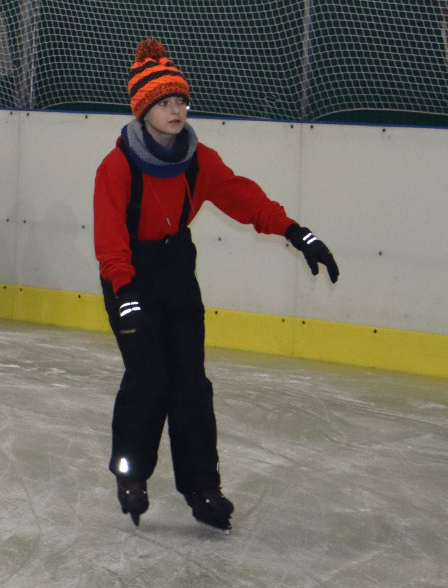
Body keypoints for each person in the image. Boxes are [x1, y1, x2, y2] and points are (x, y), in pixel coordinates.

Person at [93, 39, 339, 532]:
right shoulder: (116, 166)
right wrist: (123, 295)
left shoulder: (199, 159)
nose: (176, 110)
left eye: (181, 100)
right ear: (143, 110)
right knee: (147, 382)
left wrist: (297, 232)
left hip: (178, 273)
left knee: (191, 385)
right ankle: (131, 475)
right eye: (164, 102)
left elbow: (245, 199)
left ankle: (203, 487)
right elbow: (110, 238)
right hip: (130, 278)